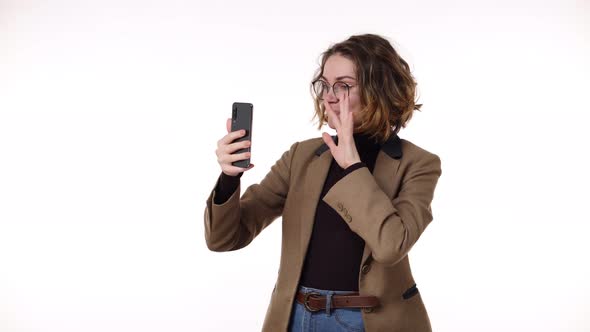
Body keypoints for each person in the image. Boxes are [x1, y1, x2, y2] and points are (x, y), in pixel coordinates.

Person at [204, 33, 442, 332]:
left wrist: (352, 166)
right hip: (296, 317)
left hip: (370, 322)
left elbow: (390, 246)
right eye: (325, 85)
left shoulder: (418, 163)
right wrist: (229, 177)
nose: (330, 95)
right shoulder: (301, 156)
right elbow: (224, 239)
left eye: (343, 85)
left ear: (379, 89)